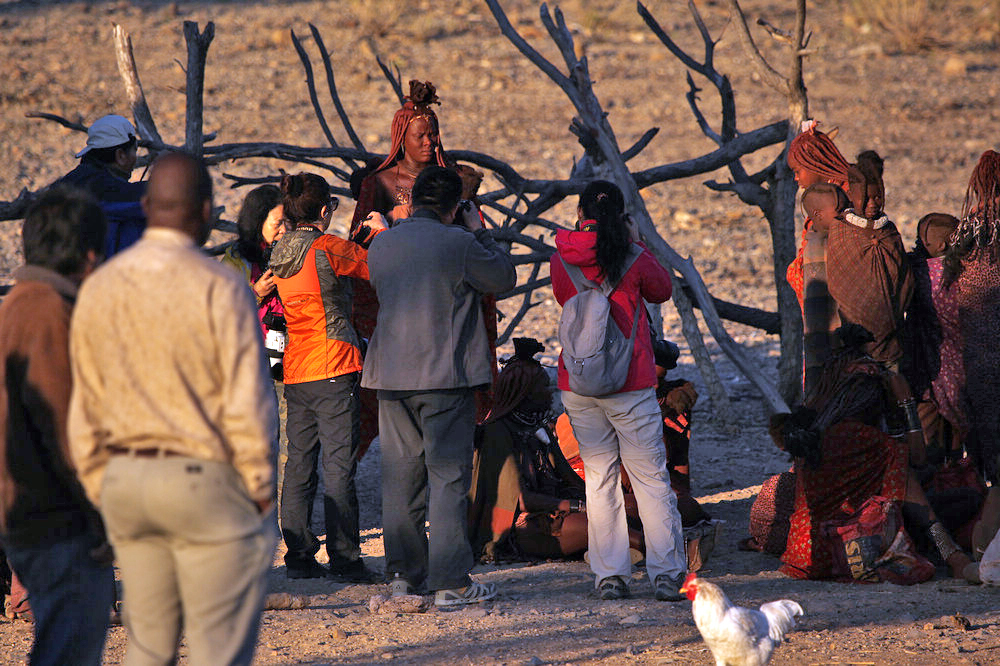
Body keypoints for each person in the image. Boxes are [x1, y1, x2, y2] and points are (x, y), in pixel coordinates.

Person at [68, 152, 278, 665]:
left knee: (147, 640)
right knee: (216, 644)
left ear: (145, 206)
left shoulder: (103, 287)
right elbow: (248, 403)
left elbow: (85, 407)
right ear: (205, 211)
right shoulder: (221, 286)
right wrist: (258, 490)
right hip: (203, 483)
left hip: (127, 484)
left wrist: (98, 487)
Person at [362, 166, 515, 607]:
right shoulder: (460, 242)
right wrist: (479, 230)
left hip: (391, 377)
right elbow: (503, 278)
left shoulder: (383, 243)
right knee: (447, 478)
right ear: (454, 206)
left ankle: (403, 577)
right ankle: (450, 582)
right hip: (444, 377)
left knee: (400, 479)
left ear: (413, 200)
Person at [550, 180, 686, 602]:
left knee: (599, 479)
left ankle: (610, 575)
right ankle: (666, 573)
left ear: (580, 214)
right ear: (622, 215)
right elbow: (662, 291)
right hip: (631, 383)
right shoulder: (634, 255)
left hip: (580, 382)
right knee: (650, 478)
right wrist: (638, 243)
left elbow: (563, 298)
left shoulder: (561, 256)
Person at [0, 187, 112, 665]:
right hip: (57, 520)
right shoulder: (49, 314)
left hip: (30, 514)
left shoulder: (19, 304)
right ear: (89, 255)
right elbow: (70, 434)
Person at [775, 325, 971, 581]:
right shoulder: (868, 440)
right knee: (931, 493)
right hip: (837, 553)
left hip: (800, 556)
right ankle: (952, 555)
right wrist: (906, 405)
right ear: (870, 401)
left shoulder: (814, 430)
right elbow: (917, 462)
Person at [268, 172, 382, 582]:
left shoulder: (279, 249)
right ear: (322, 210)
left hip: (297, 369)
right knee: (338, 466)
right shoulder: (327, 247)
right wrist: (381, 232)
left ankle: (299, 555)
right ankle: (345, 558)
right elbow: (372, 267)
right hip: (334, 362)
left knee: (299, 465)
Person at [468, 338, 644, 563]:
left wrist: (602, 498)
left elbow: (568, 477)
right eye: (543, 388)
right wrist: (580, 507)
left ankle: (610, 549)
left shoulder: (536, 426)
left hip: (555, 505)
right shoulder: (498, 432)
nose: (550, 394)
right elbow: (522, 500)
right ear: (524, 393)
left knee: (630, 506)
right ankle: (663, 549)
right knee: (600, 522)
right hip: (518, 525)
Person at [932, 151, 1000, 565]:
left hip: (976, 364)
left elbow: (947, 288)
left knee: (994, 466)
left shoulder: (967, 230)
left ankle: (980, 555)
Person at [826, 149, 914, 370]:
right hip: (855, 335)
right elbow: (839, 283)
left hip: (892, 332)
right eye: (865, 198)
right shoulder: (841, 231)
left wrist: (894, 314)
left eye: (877, 197)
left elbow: (905, 278)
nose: (872, 203)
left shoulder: (889, 231)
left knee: (893, 378)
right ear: (852, 196)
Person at [785, 120, 857, 312]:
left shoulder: (843, 196)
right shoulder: (830, 192)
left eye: (798, 171)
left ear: (814, 164)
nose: (796, 178)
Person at [51, 115, 146, 257]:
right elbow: (145, 199)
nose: (135, 158)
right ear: (120, 156)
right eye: (134, 150)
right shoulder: (102, 189)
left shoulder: (68, 182)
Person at [221, 185, 287, 377]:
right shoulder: (237, 260)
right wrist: (255, 293)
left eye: (286, 222)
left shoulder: (289, 256)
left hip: (285, 357)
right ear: (258, 223)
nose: (284, 230)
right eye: (278, 223)